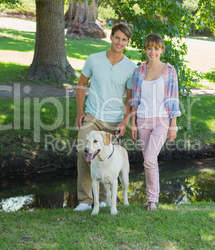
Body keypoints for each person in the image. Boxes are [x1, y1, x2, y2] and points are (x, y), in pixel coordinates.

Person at [73, 23, 137, 211]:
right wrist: (79, 111)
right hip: (92, 115)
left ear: (127, 42)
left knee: (106, 157)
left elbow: (129, 97)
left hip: (113, 119)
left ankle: (103, 199)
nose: (119, 42)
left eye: (124, 40)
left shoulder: (130, 67)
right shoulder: (93, 59)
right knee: (83, 151)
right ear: (111, 37)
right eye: (117, 37)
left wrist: (125, 120)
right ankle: (85, 201)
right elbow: (81, 85)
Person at [130, 33, 181, 211]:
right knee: (148, 160)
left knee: (150, 159)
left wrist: (173, 124)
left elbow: (174, 99)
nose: (153, 52)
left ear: (162, 50)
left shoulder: (169, 70)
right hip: (142, 120)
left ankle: (152, 199)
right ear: (145, 49)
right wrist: (133, 122)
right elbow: (134, 99)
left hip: (161, 120)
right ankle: (151, 198)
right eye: (149, 48)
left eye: (156, 48)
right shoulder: (139, 71)